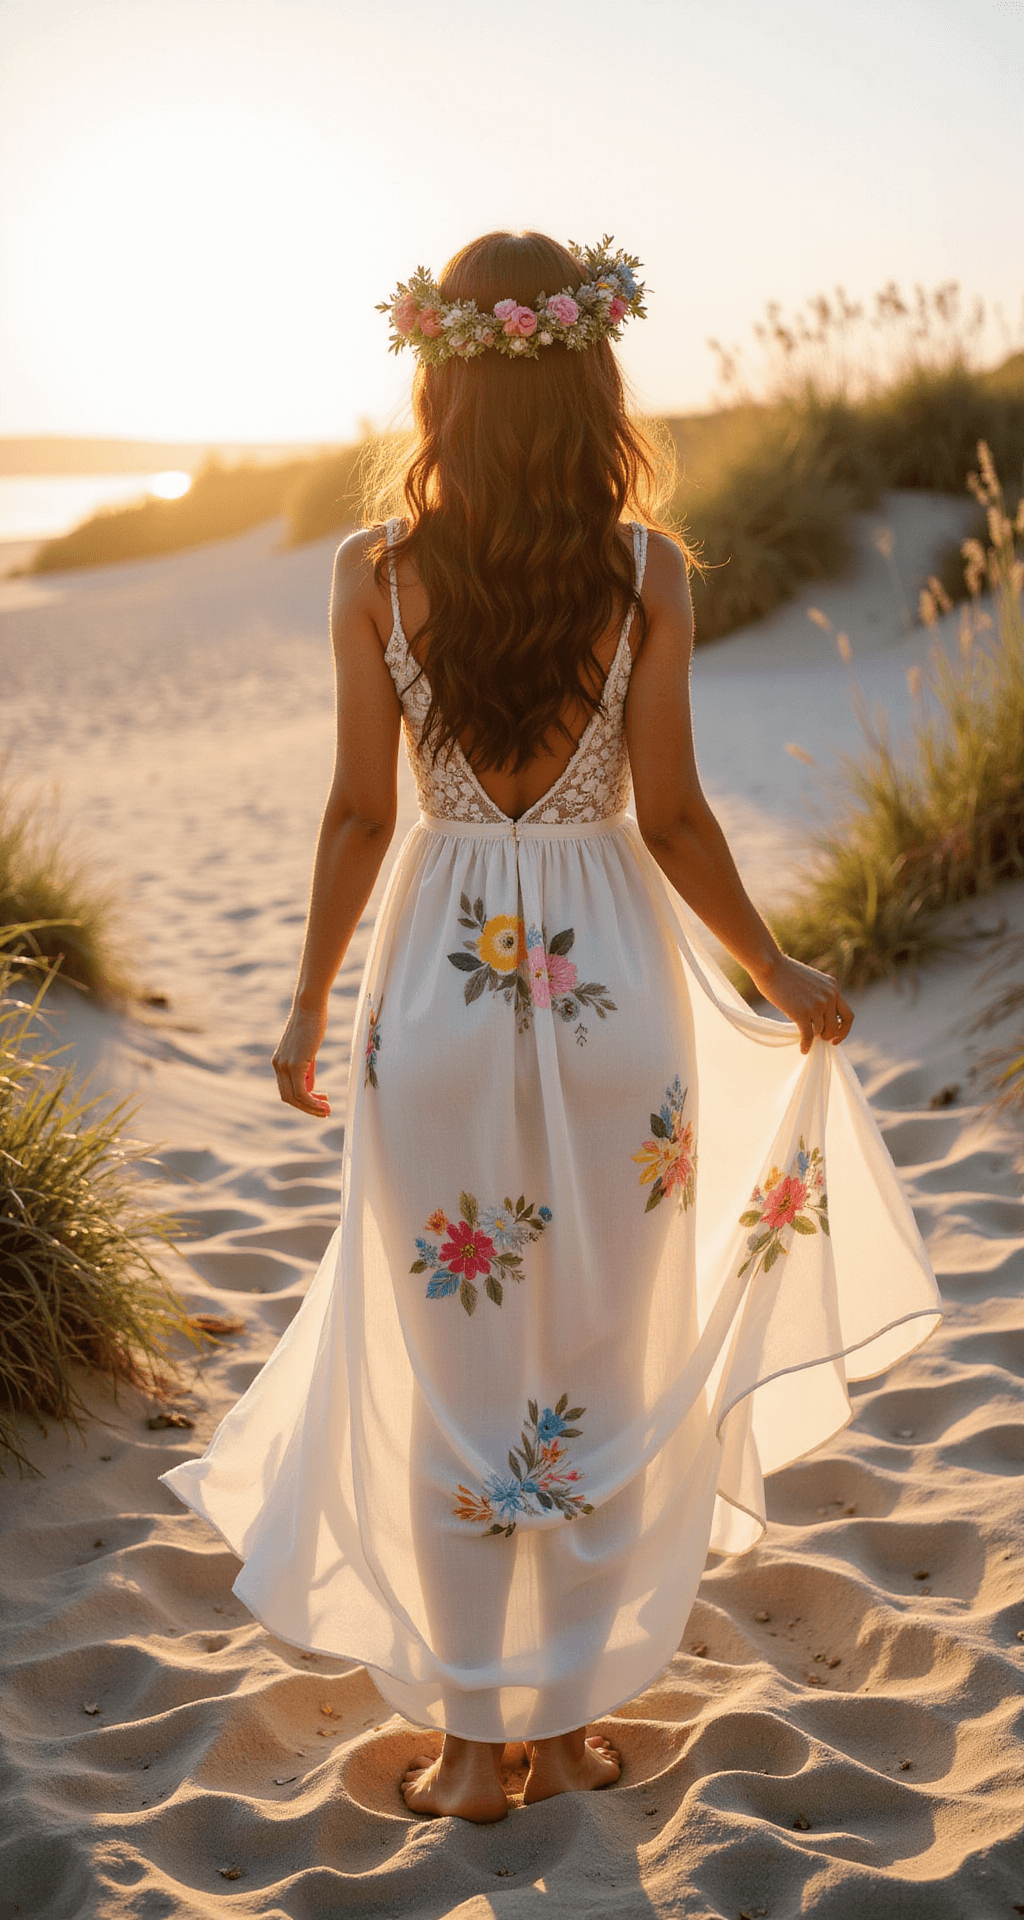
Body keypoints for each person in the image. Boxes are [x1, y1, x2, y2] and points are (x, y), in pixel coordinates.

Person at [160, 231, 941, 1825]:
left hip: (435, 994)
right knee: (600, 1350)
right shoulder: (644, 569)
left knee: (448, 1364)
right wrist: (777, 970)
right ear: (592, 376)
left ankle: (467, 1744)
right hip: (615, 1007)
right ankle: (571, 1718)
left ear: (441, 380)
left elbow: (357, 816)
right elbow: (673, 819)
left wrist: (310, 997)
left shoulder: (368, 572)